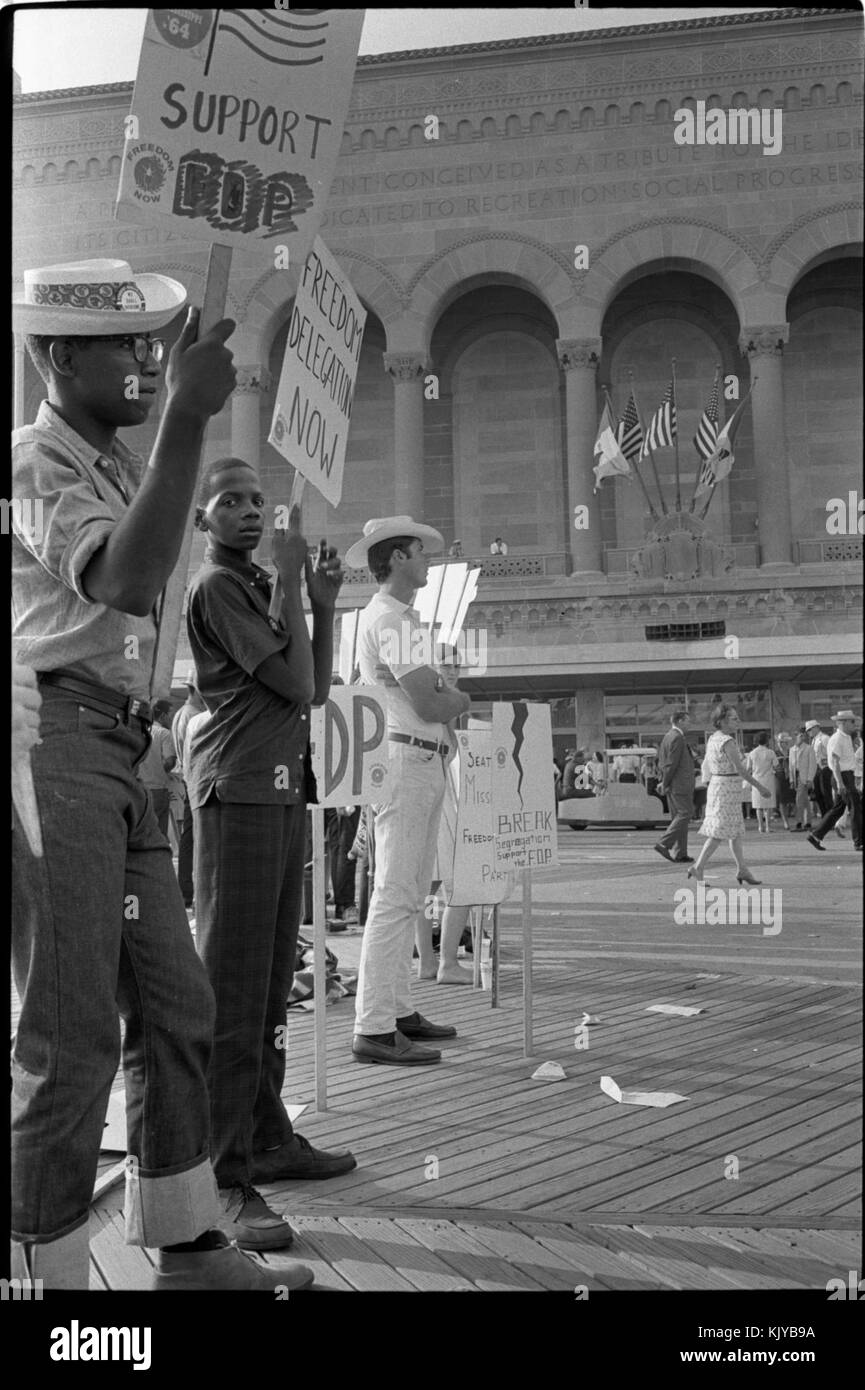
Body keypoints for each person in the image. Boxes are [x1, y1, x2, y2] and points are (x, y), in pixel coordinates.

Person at [12, 256, 311, 1290]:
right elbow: (127, 576)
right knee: (70, 1028)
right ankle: (38, 1272)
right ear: (54, 356)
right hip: (53, 746)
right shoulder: (32, 463)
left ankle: (183, 1241)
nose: (145, 362)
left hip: (123, 752)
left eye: (153, 347)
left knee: (177, 1004)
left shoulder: (120, 470)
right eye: (124, 349)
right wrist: (187, 415)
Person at [186, 464, 357, 1250]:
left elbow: (317, 688)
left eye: (257, 500)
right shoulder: (219, 588)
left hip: (280, 789)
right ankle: (223, 1172)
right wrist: (292, 582)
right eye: (231, 502)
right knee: (231, 985)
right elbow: (289, 682)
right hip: (240, 788)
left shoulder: (260, 585)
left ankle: (267, 1134)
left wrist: (320, 602)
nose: (250, 511)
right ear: (202, 519)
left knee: (266, 985)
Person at [346, 515, 471, 1066]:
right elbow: (432, 701)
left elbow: (429, 692)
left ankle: (394, 1010)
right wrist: (458, 697)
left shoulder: (394, 620)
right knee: (397, 892)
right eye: (420, 553)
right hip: (409, 756)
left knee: (407, 890)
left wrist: (445, 692)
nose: (427, 561)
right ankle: (375, 1024)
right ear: (396, 558)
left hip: (413, 756)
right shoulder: (394, 622)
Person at [688, 704, 772, 883]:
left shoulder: (713, 739)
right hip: (726, 788)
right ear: (722, 721)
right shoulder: (727, 741)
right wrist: (760, 787)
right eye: (734, 718)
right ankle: (699, 867)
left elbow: (709, 766)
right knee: (719, 832)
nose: (738, 721)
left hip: (721, 787)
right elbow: (741, 769)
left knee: (733, 832)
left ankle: (742, 869)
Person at [172, 671, 206, 907]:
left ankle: (186, 891)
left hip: (189, 779)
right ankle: (188, 890)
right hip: (194, 780)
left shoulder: (181, 714)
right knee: (194, 840)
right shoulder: (193, 716)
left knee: (189, 838)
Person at [807, 710, 863, 852]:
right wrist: (840, 783)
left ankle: (816, 835)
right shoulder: (838, 738)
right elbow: (835, 762)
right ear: (843, 723)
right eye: (851, 721)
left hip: (845, 775)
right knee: (855, 808)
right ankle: (859, 841)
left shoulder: (845, 737)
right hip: (842, 776)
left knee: (837, 810)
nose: (854, 724)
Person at [654, 709, 695, 863]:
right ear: (679, 721)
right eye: (687, 720)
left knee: (678, 818)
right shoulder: (678, 737)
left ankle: (680, 852)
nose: (690, 723)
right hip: (680, 784)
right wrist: (664, 782)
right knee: (685, 813)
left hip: (674, 783)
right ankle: (664, 843)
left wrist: (663, 781)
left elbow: (663, 762)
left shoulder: (667, 737)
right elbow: (671, 764)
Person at [136, 699, 176, 838]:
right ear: (163, 716)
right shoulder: (164, 733)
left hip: (137, 789)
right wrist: (159, 769)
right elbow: (170, 761)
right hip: (157, 789)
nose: (172, 719)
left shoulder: (137, 731)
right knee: (159, 834)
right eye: (171, 715)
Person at [746, 731, 777, 834]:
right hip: (768, 779)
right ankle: (768, 827)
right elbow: (776, 765)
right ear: (766, 740)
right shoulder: (770, 752)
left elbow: (748, 768)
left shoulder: (752, 753)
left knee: (758, 805)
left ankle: (760, 827)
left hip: (756, 779)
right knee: (767, 805)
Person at [789, 727, 817, 832]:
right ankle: (808, 822)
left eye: (803, 735)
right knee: (805, 800)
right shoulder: (792, 749)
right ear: (796, 736)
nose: (802, 737)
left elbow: (813, 765)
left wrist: (810, 779)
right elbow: (790, 766)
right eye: (800, 735)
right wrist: (791, 780)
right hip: (796, 777)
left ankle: (799, 822)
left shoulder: (809, 748)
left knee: (799, 799)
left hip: (804, 777)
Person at [808, 720, 834, 817]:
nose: (808, 732)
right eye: (807, 730)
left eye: (810, 729)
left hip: (825, 769)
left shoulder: (824, 738)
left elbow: (831, 753)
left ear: (816, 728)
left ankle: (830, 817)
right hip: (816, 769)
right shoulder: (814, 740)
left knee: (826, 794)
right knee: (818, 794)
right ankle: (824, 815)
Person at [773, 731, 795, 830]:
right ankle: (785, 821)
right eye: (780, 742)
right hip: (780, 777)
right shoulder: (775, 753)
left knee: (794, 799)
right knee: (783, 801)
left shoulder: (792, 751)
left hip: (791, 777)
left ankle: (798, 820)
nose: (782, 744)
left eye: (784, 742)